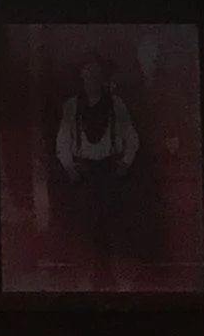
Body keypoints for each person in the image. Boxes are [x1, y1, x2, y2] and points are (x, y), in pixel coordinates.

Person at [51, 52, 141, 252]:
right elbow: (62, 141)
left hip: (110, 168)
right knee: (85, 221)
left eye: (96, 76)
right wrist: (69, 167)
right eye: (88, 75)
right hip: (84, 170)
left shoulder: (116, 104)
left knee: (111, 220)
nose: (92, 80)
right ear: (82, 78)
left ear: (102, 79)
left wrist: (126, 162)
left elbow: (131, 136)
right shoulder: (71, 106)